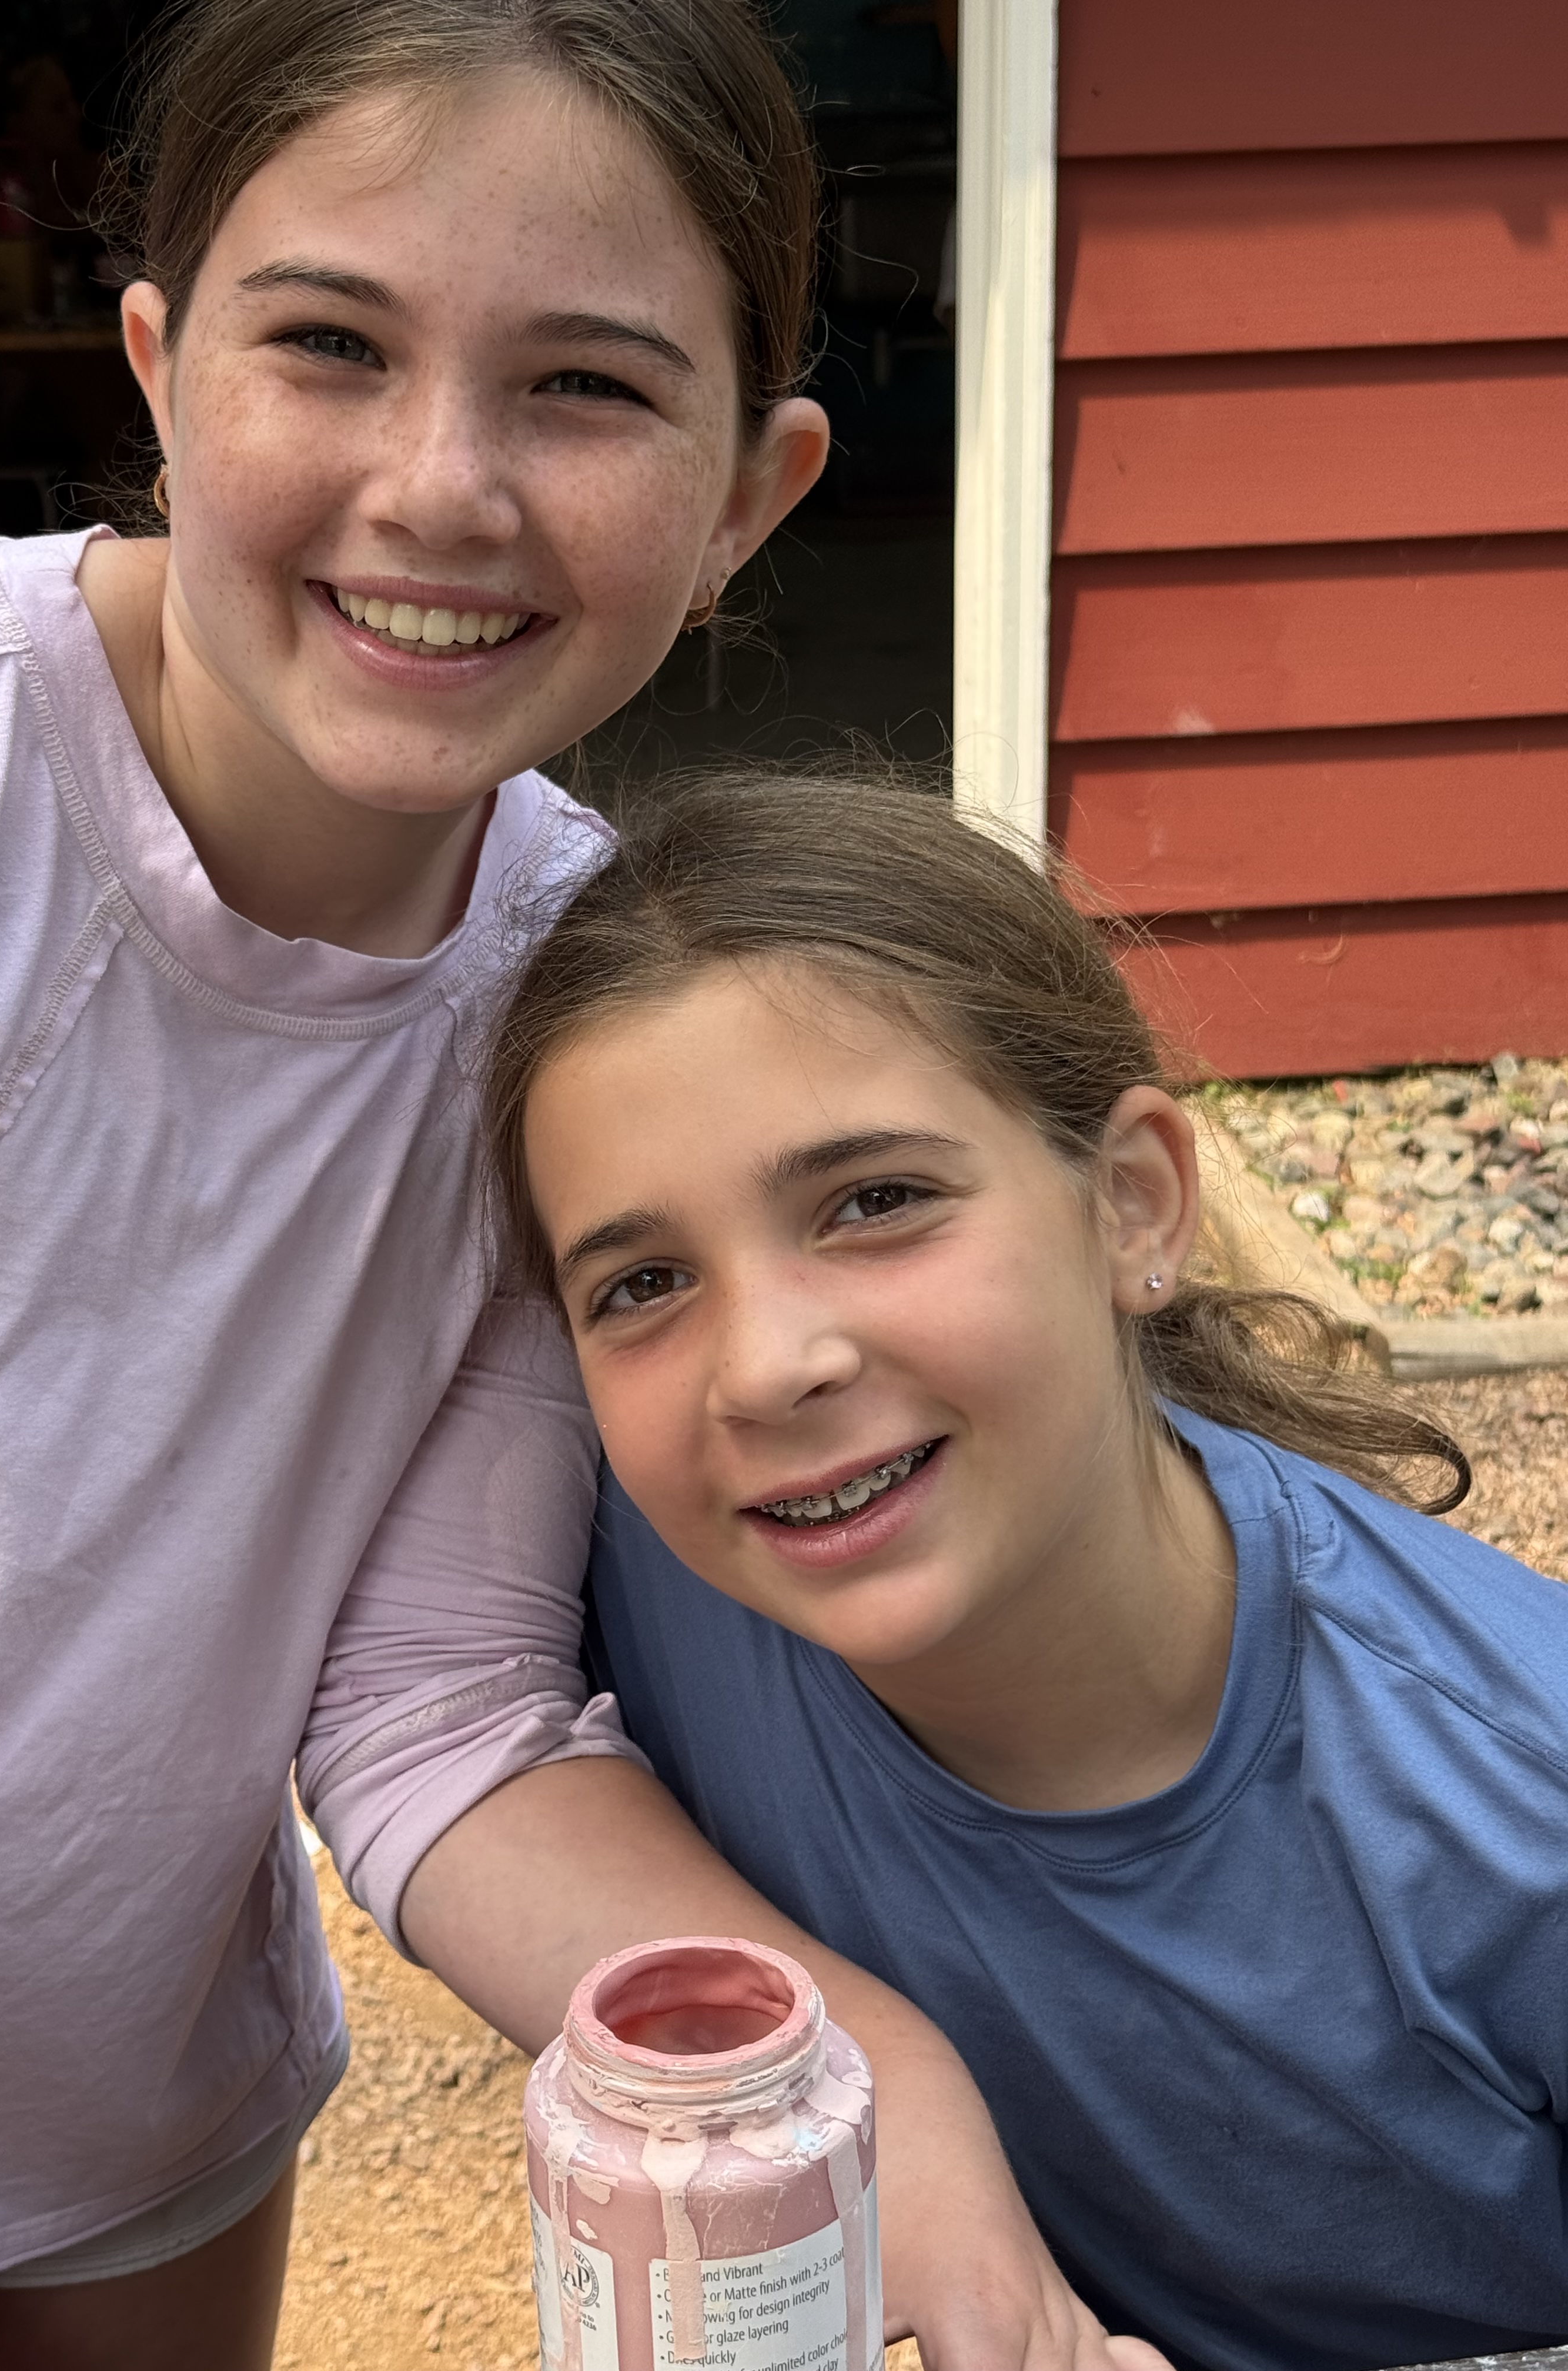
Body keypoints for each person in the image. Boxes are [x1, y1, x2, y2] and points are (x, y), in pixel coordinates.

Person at [0, 6, 1175, 2369]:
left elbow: (441, 1703)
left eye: (588, 387)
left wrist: (878, 2092)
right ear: (160, 368)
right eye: (330, 344)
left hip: (145, 2114)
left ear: (750, 496)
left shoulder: (581, 1019)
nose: (442, 487)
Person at [487, 766, 1568, 2371]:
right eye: (643, 1283)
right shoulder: (651, 1570)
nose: (766, 1366)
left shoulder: (1517, 1811)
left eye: (876, 1202)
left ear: (1133, 1205)